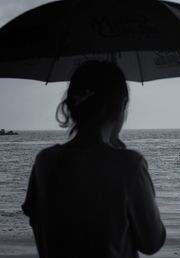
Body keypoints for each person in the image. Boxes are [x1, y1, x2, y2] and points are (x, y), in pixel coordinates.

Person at [22, 61, 166, 258]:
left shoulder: (44, 161)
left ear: (72, 106)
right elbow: (152, 242)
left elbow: (40, 229)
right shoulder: (129, 165)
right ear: (122, 106)